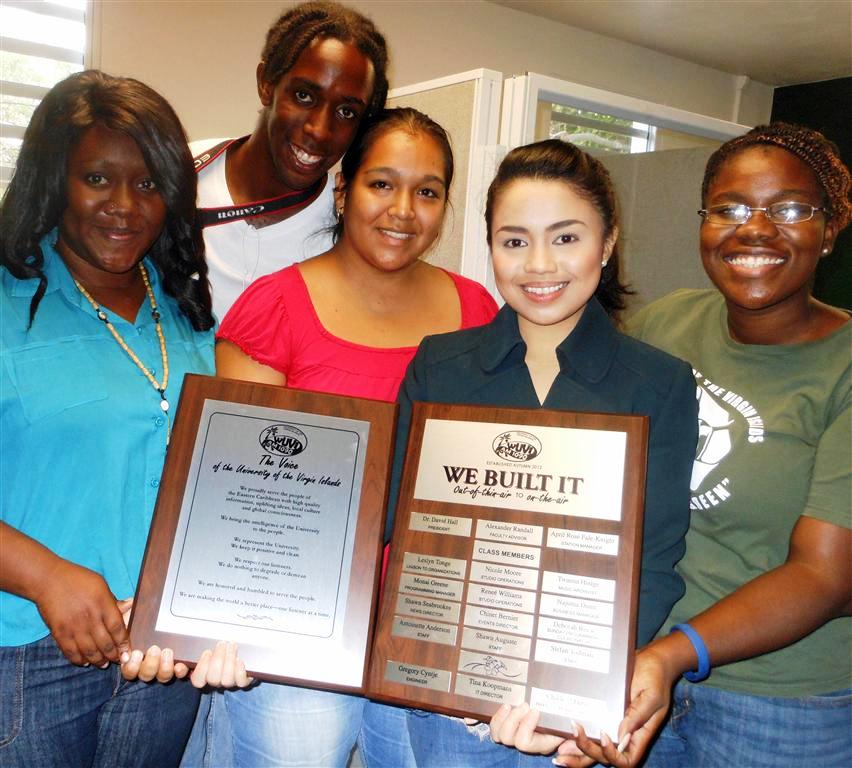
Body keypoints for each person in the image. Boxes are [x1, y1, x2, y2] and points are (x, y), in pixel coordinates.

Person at [201, 107, 498, 767]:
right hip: (298, 630)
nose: (403, 210)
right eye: (381, 184)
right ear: (344, 190)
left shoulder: (479, 312)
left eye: (428, 191)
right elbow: (235, 494)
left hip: (429, 632)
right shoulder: (275, 306)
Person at [388, 139, 698, 768]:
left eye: (565, 238)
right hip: (450, 699)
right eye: (514, 240)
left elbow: (656, 559)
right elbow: (403, 524)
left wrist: (575, 698)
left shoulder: (659, 382)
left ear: (607, 245)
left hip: (577, 710)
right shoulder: (439, 367)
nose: (537, 265)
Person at [549, 122, 850, 768]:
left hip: (779, 706)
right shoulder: (665, 324)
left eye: (791, 209)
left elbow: (828, 574)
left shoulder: (845, 366)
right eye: (730, 208)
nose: (756, 229)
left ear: (829, 231)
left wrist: (670, 653)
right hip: (631, 669)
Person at [0, 70, 237, 767]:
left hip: (165, 655)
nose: (125, 207)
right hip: (27, 655)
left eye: (150, 184)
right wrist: (45, 576)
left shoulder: (186, 312)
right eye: (98, 179)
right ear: (53, 180)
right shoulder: (7, 304)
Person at [192, 0, 389, 320]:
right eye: (304, 96)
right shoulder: (177, 172)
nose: (320, 131)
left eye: (347, 112)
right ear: (266, 83)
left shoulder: (345, 235)